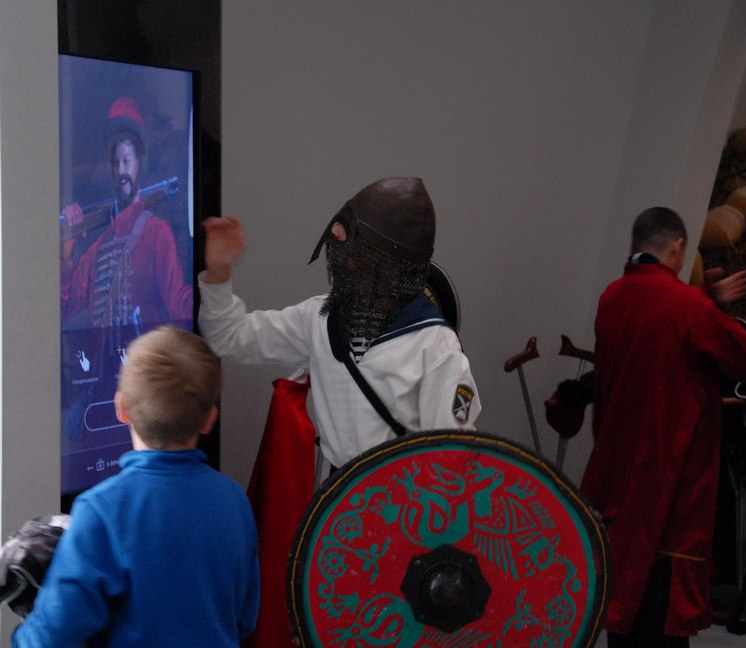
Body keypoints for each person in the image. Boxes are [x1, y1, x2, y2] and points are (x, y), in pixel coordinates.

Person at [198, 177, 481, 470]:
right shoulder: (320, 319)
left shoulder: (435, 347)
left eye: (350, 249)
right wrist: (219, 271)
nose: (335, 256)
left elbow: (449, 461)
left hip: (402, 494)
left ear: (381, 261)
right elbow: (228, 336)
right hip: (337, 490)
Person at [579, 207, 746, 647]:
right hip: (669, 473)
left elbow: (656, 329)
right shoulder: (688, 306)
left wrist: (704, 299)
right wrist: (710, 305)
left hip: (619, 467)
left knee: (622, 589)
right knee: (659, 606)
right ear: (678, 247)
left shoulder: (612, 297)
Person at [12, 327, 260, 647]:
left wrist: (26, 617)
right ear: (209, 419)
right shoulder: (234, 500)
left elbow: (50, 639)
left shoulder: (99, 510)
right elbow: (245, 618)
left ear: (121, 408)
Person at [60, 97, 193, 329]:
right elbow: (62, 313)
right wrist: (66, 254)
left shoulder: (157, 232)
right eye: (115, 163)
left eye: (126, 161)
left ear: (138, 164)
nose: (121, 171)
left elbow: (180, 305)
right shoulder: (97, 249)